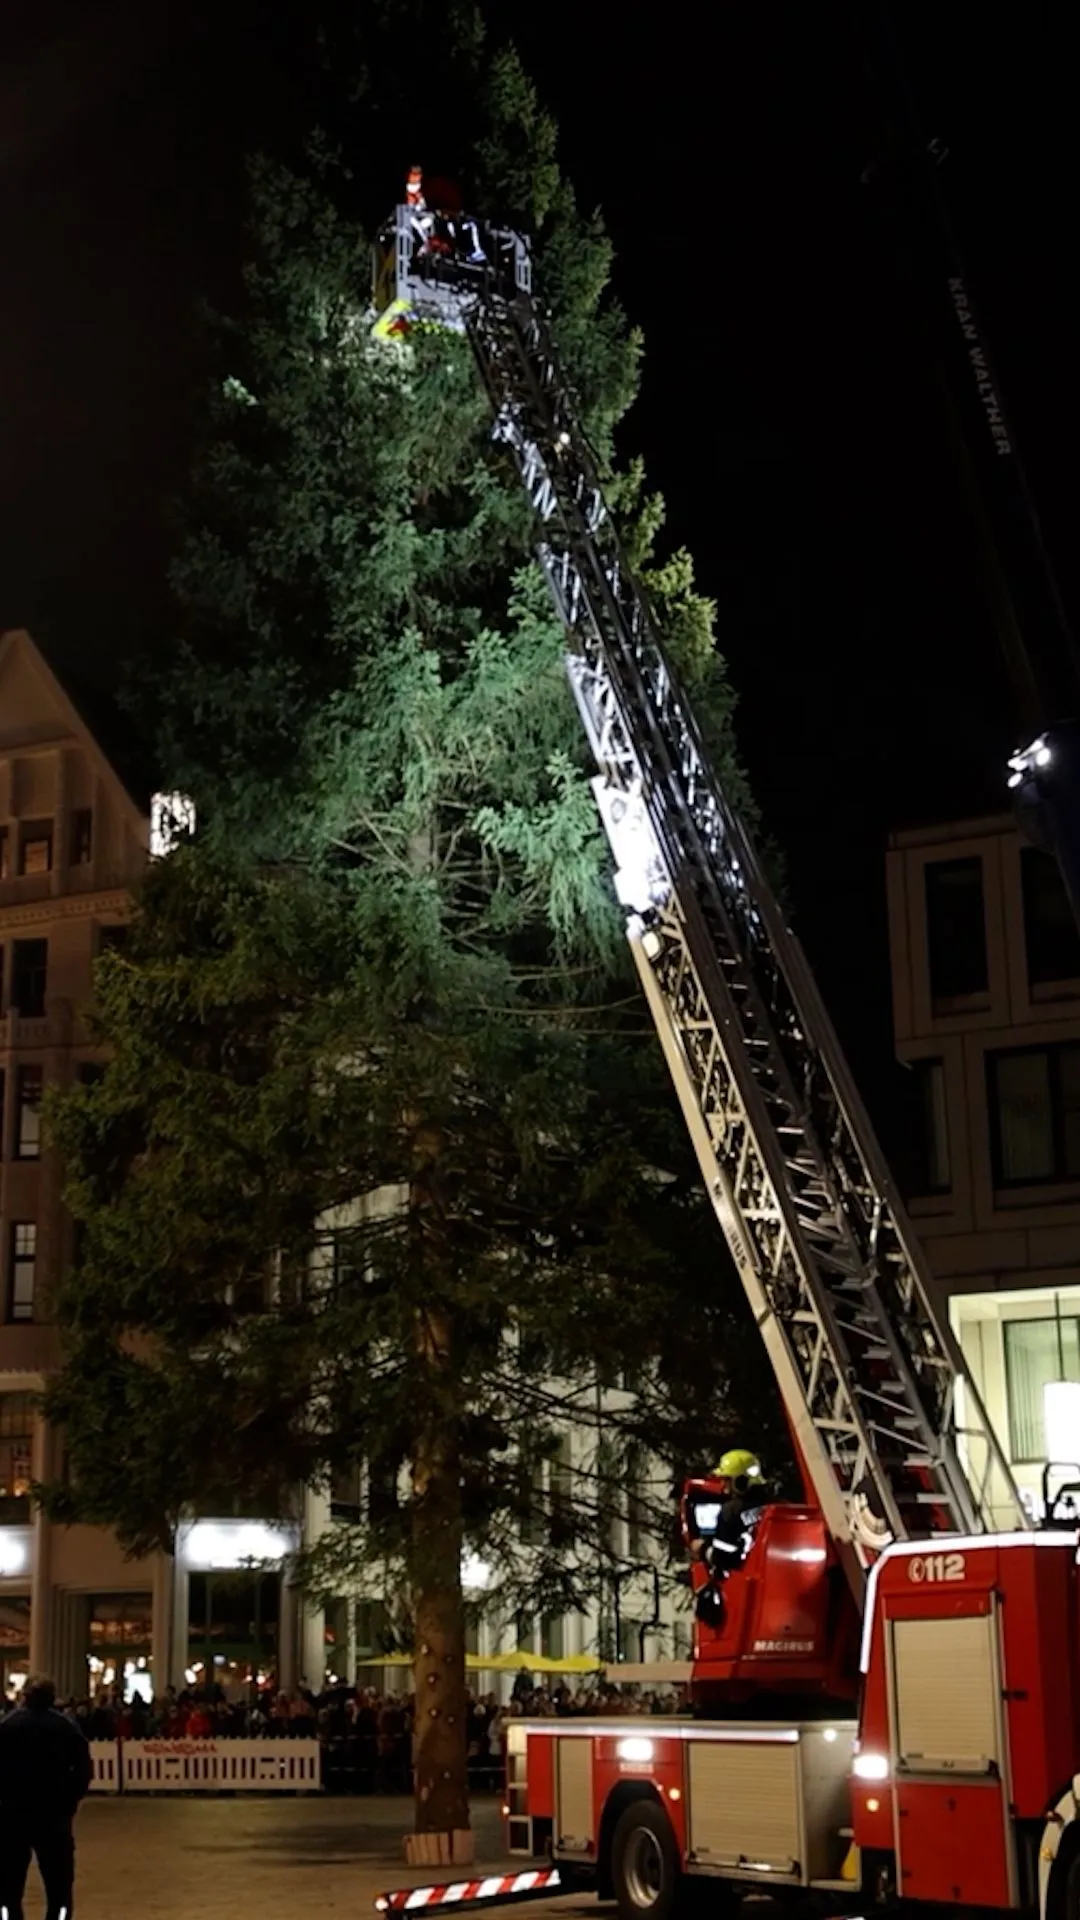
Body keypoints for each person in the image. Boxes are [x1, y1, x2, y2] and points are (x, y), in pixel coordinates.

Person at [0, 1672, 93, 1920]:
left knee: (8, 1889)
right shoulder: (66, 1727)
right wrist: (70, 1801)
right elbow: (83, 1769)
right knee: (59, 1889)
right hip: (54, 1817)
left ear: (24, 1697)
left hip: (12, 1816)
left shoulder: (7, 1726)